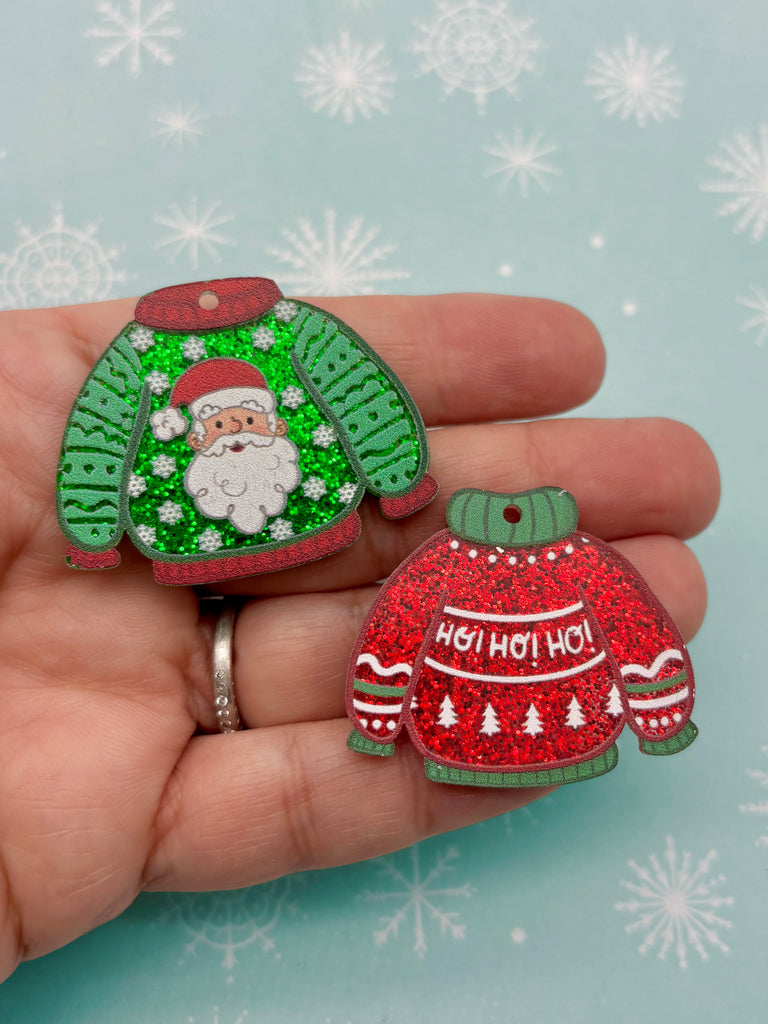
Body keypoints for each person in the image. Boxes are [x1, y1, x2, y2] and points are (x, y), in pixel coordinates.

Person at [0, 291, 719, 981]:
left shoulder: (296, 330)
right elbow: (99, 432)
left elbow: (362, 396)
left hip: (353, 549)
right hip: (184, 555)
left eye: (246, 420)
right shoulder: (136, 354)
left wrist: (399, 476)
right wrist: (93, 531)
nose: (234, 432)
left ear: (274, 425)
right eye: (219, 426)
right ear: (193, 435)